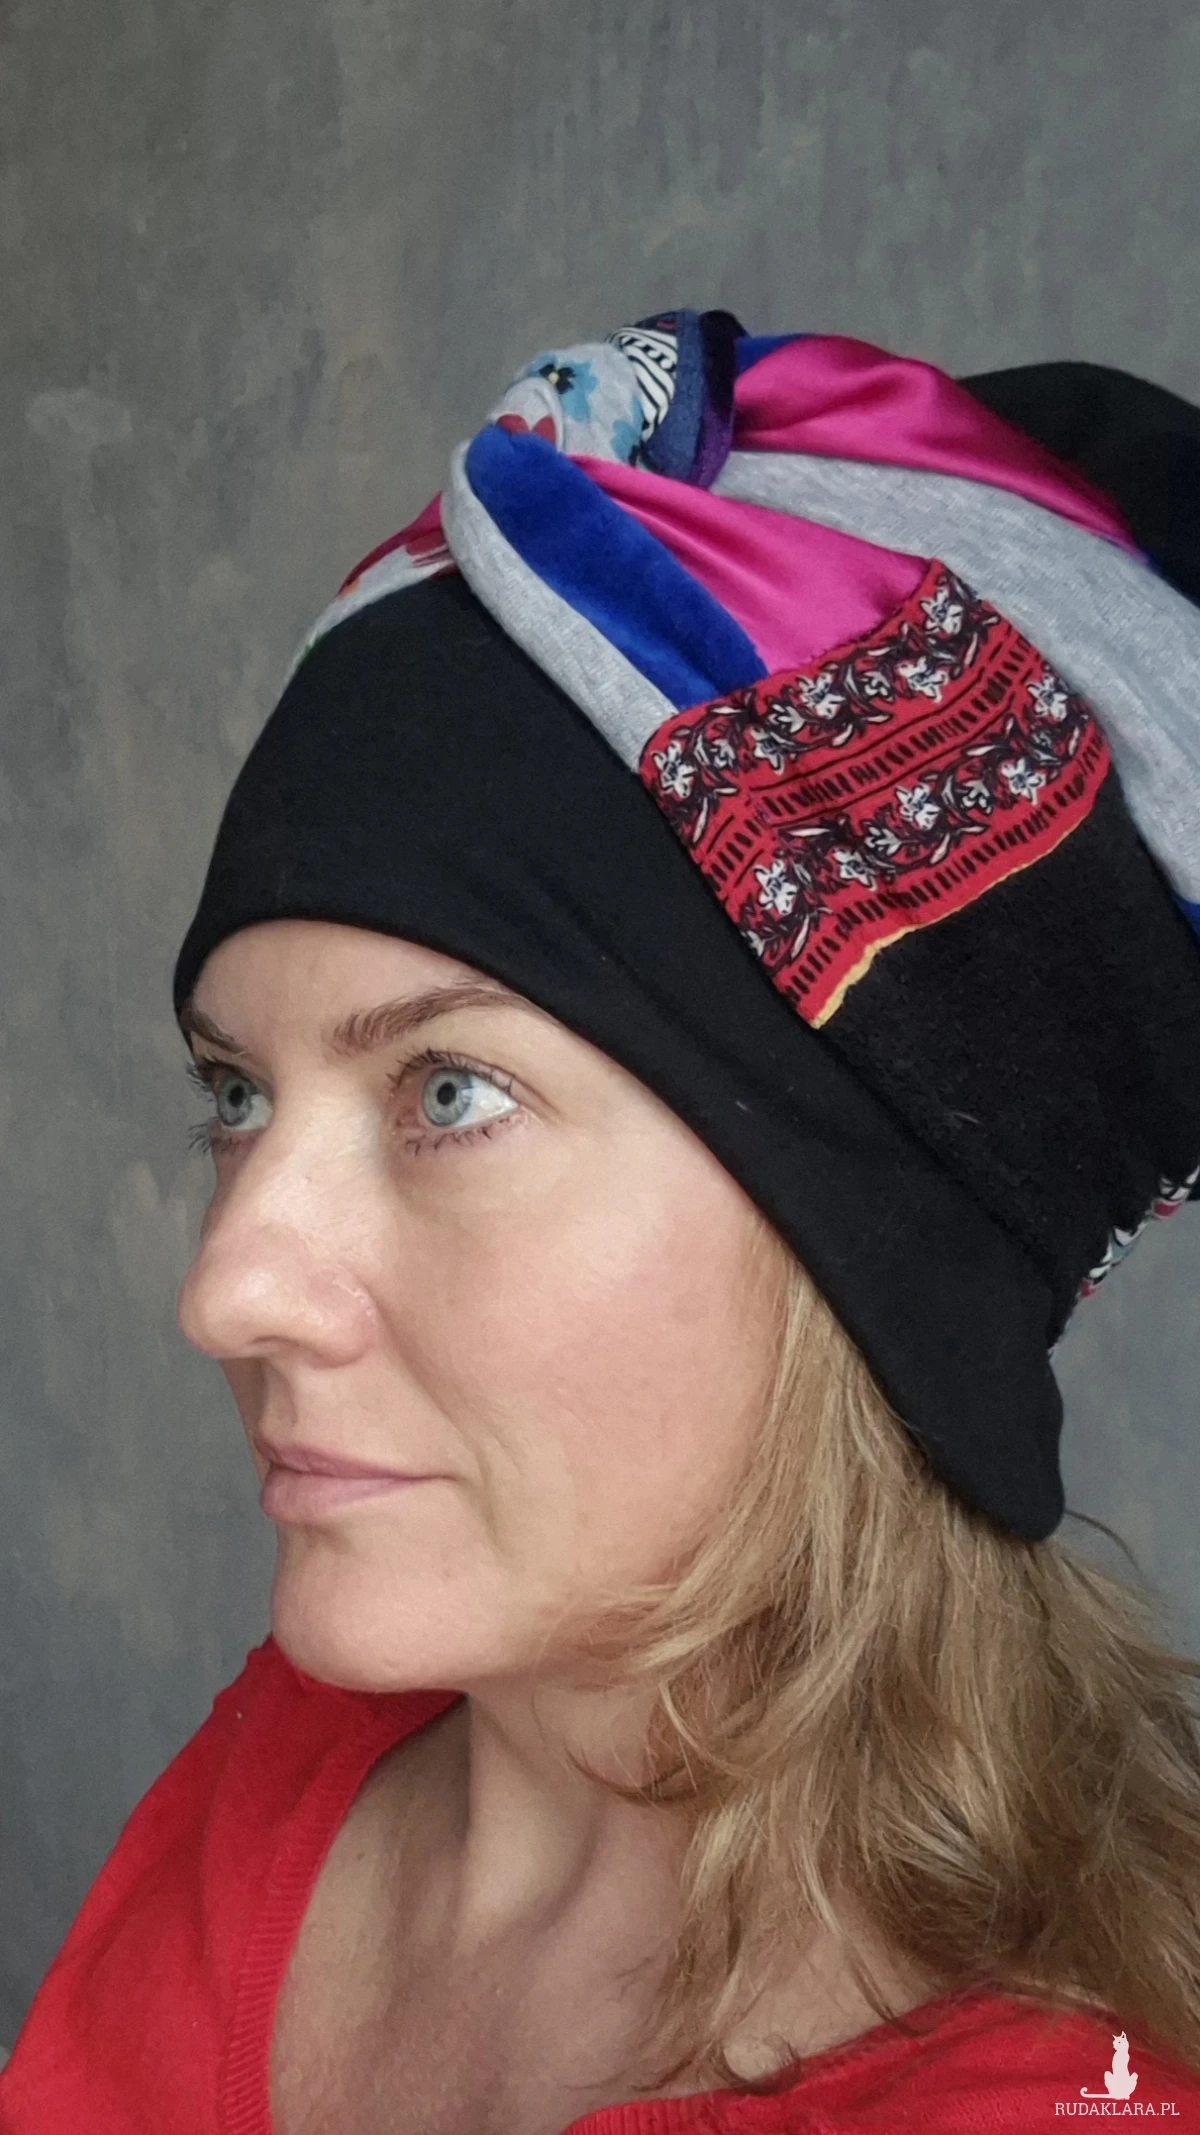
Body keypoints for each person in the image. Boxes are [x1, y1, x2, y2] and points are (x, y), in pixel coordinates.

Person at [3, 312, 1200, 2134]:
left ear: (874, 1251)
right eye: (238, 1096)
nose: (228, 1288)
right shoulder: (289, 1772)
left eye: (448, 1093)